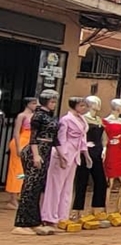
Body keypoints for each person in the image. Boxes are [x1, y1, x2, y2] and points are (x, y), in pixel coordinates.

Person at [13, 92, 58, 234]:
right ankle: (21, 223)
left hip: (46, 151)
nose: (54, 104)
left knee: (37, 188)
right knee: (29, 187)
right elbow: (33, 138)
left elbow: (55, 138)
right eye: (52, 102)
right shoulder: (38, 116)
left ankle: (34, 221)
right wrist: (36, 155)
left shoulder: (49, 116)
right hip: (36, 151)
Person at [41, 96, 88, 228]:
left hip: (75, 154)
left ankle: (63, 215)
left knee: (67, 187)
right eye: (81, 105)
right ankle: (49, 216)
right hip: (64, 153)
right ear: (75, 105)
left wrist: (86, 154)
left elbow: (82, 139)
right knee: (55, 186)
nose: (83, 108)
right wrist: (62, 156)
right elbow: (60, 140)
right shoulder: (66, 119)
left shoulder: (82, 119)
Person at [5, 96, 37, 209]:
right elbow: (16, 133)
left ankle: (19, 193)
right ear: (27, 104)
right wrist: (18, 147)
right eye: (33, 103)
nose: (35, 105)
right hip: (21, 141)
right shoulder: (21, 116)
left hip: (30, 142)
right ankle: (13, 197)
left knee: (25, 171)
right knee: (16, 169)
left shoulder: (35, 116)